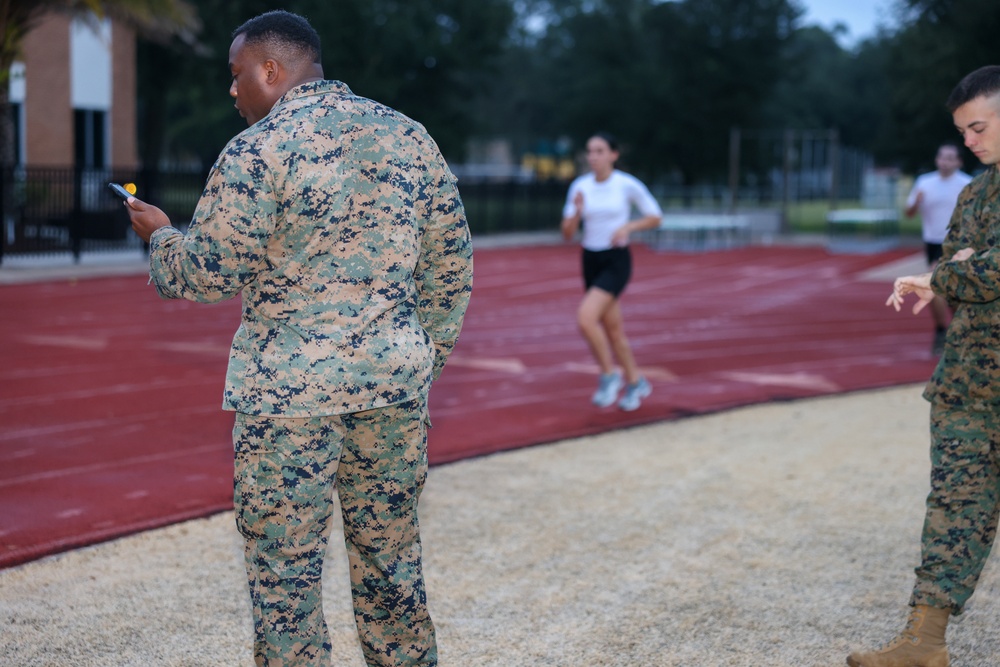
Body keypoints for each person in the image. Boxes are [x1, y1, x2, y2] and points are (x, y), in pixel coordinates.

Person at [121, 10, 473, 667]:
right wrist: (413, 358)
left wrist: (163, 237)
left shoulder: (257, 150)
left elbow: (203, 273)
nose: (233, 91)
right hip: (392, 392)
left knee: (286, 581)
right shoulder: (409, 137)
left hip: (289, 401)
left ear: (270, 70)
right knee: (392, 567)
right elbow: (451, 271)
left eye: (235, 76)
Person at [849, 64, 1000, 667]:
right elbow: (957, 260)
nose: (969, 142)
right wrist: (961, 267)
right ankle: (923, 643)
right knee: (953, 506)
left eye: (979, 127)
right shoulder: (975, 191)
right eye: (963, 132)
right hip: (968, 381)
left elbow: (975, 270)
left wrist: (959, 269)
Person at [560, 132, 663, 411]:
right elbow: (567, 233)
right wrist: (577, 212)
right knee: (614, 332)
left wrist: (628, 228)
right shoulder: (581, 186)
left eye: (600, 151)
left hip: (616, 260)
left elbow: (655, 216)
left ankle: (609, 375)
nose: (593, 156)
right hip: (590, 259)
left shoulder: (626, 185)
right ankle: (636, 382)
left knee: (585, 319)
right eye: (590, 151)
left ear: (613, 155)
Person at [903, 142, 972, 356]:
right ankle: (944, 330)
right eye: (942, 157)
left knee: (948, 292)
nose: (945, 161)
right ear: (936, 159)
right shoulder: (925, 182)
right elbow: (909, 213)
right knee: (937, 290)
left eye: (950, 157)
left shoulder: (968, 184)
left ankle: (954, 332)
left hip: (960, 244)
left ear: (959, 161)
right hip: (933, 243)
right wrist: (917, 203)